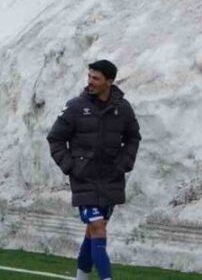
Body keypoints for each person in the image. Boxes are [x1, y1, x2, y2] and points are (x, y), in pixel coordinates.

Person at [47, 61, 141, 280]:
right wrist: (71, 167)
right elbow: (55, 139)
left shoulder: (123, 108)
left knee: (93, 232)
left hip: (111, 179)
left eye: (96, 78)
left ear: (109, 81)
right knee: (98, 228)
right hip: (84, 180)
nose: (90, 81)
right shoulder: (75, 107)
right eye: (89, 76)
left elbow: (133, 137)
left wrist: (124, 163)